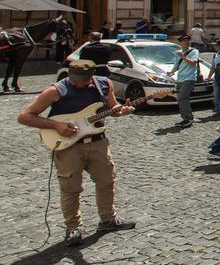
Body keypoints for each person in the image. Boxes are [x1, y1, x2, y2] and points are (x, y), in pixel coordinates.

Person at [17, 60, 136, 246]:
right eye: (74, 82)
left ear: (91, 78)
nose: (77, 85)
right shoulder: (56, 90)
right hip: (69, 147)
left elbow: (112, 107)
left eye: (82, 83)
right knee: (71, 188)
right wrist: (56, 125)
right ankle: (73, 227)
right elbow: (24, 116)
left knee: (106, 181)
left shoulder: (104, 84)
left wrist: (121, 111)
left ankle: (108, 220)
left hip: (98, 143)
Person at [168, 35, 200, 128]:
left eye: (188, 40)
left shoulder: (194, 51)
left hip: (189, 78)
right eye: (184, 40)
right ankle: (186, 118)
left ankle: (188, 118)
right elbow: (177, 65)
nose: (187, 42)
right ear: (180, 42)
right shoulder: (179, 53)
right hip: (180, 79)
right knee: (180, 99)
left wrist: (183, 56)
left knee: (182, 97)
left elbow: (193, 63)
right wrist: (171, 72)